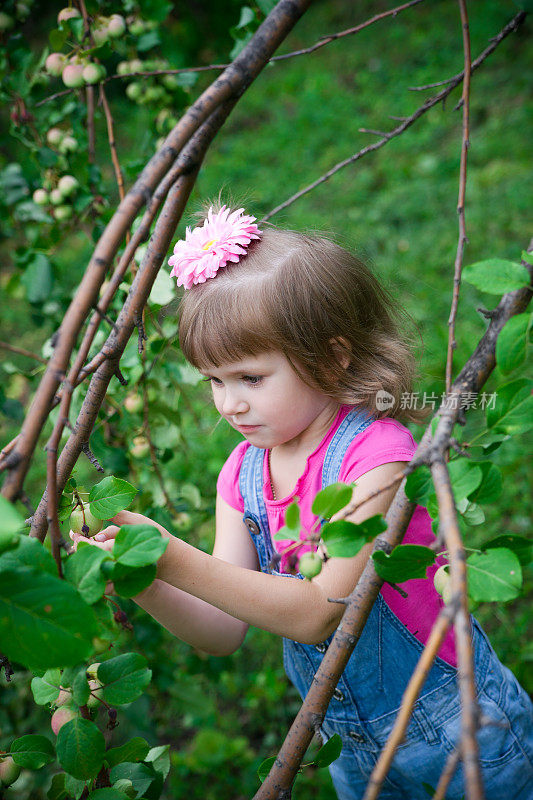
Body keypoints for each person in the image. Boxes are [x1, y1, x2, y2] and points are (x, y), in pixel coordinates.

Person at [72, 205, 533, 799]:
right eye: (214, 380)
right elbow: (222, 630)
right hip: (351, 751)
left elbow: (320, 611)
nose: (228, 405)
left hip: (458, 730)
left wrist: (174, 557)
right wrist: (147, 574)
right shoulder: (242, 475)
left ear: (333, 356)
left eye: (250, 379)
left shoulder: (379, 459)